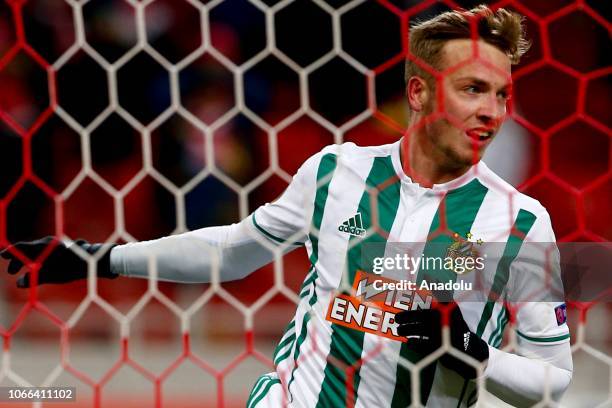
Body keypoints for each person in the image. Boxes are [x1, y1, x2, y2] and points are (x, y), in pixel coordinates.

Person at [2, 5, 572, 407]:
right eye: (472, 88)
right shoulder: (337, 171)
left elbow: (551, 383)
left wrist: (469, 350)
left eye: (502, 94)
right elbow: (233, 252)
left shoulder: (521, 222)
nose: (492, 111)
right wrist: (100, 258)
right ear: (418, 92)